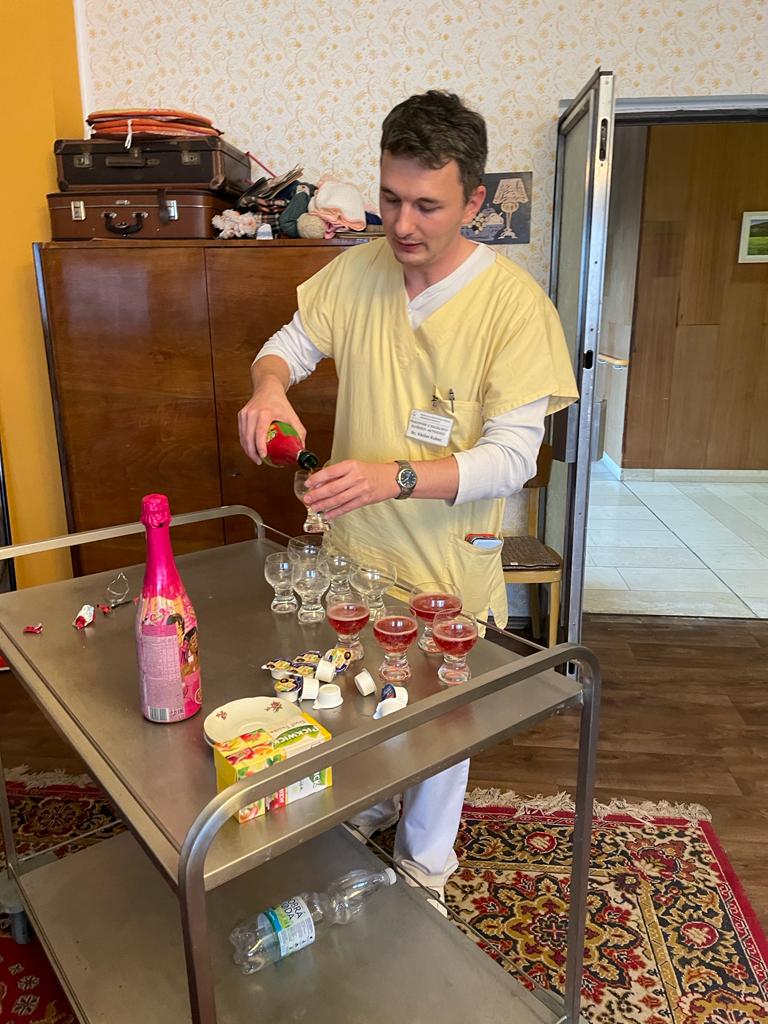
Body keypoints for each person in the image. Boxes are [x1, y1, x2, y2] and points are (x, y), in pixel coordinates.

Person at [238, 90, 578, 910]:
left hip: (445, 569)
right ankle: (363, 815)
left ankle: (425, 868)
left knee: (440, 729)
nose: (402, 224)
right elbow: (287, 346)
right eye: (390, 199)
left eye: (427, 205)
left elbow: (513, 459)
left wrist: (394, 475)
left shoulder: (513, 308)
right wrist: (268, 386)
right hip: (355, 559)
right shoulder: (358, 271)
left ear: (474, 200)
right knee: (358, 706)